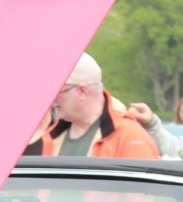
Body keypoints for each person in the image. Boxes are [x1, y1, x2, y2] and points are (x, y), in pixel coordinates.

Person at [28, 53, 159, 159]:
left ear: (82, 91)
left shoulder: (130, 137)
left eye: (57, 91)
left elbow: (142, 191)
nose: (51, 100)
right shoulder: (50, 136)